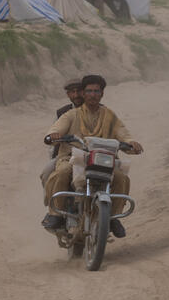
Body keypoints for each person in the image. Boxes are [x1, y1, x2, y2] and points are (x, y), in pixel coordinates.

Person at [42, 74, 143, 237]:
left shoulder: (110, 115)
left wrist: (131, 143)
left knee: (121, 178)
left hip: (103, 159)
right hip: (73, 157)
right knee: (61, 172)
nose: (93, 95)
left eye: (97, 91)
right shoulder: (70, 114)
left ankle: (113, 217)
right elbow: (56, 129)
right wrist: (53, 135)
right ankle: (56, 214)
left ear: (102, 94)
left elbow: (122, 133)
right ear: (83, 93)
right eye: (89, 91)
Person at [40, 77, 86, 187]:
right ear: (68, 94)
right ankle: (53, 203)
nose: (76, 95)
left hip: (93, 156)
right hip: (67, 156)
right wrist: (53, 138)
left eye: (78, 91)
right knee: (46, 174)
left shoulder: (101, 110)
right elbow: (53, 131)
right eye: (72, 92)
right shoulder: (62, 112)